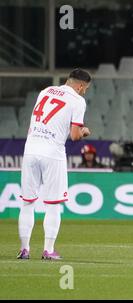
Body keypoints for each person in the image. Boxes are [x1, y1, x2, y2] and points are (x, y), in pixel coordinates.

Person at [17, 68, 91, 260]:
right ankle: (48, 250)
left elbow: (31, 124)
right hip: (53, 153)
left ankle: (24, 249)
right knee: (52, 205)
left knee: (27, 203)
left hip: (31, 148)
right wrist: (84, 132)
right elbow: (74, 136)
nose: (84, 92)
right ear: (81, 85)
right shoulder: (78, 101)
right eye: (85, 88)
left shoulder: (45, 91)